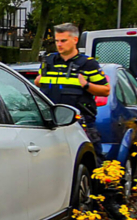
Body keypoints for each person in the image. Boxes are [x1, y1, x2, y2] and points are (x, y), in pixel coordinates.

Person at [35, 23, 110, 154]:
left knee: (88, 161)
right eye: (57, 41)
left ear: (75, 40)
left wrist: (86, 85)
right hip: (51, 124)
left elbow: (105, 90)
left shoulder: (88, 64)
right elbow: (41, 83)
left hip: (79, 123)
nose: (59, 44)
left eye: (63, 41)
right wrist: (38, 82)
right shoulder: (49, 61)